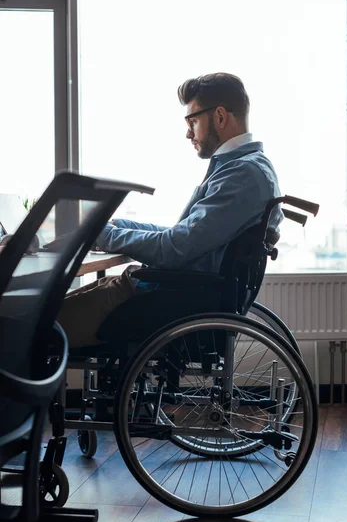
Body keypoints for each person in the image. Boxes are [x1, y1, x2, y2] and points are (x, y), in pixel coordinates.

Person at [57, 72, 283, 348]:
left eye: (193, 121)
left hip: (165, 300)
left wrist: (103, 235)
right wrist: (116, 227)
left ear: (220, 117)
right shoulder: (244, 168)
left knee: (27, 328)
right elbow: (183, 236)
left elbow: (174, 247)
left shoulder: (242, 175)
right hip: (163, 292)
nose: (188, 133)